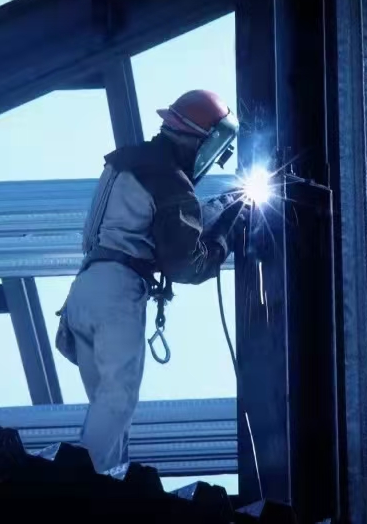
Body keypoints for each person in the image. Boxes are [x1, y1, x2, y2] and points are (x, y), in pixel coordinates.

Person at [54, 90, 245, 473]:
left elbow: (152, 224)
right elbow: (185, 265)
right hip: (116, 292)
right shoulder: (170, 180)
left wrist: (214, 211)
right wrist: (224, 239)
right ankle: (75, 481)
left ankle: (102, 483)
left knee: (108, 410)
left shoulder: (131, 161)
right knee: (119, 400)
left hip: (84, 291)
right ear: (196, 139)